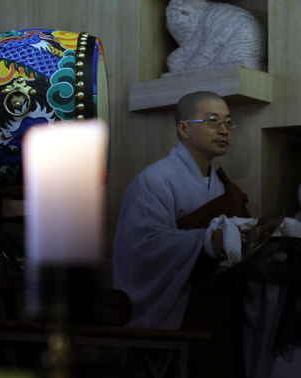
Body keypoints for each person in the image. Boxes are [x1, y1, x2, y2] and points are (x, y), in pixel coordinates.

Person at [113, 91, 278, 377]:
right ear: (184, 128)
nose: (224, 129)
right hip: (181, 303)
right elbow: (143, 247)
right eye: (212, 120)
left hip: (221, 305)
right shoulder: (155, 180)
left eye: (228, 122)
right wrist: (204, 240)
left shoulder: (224, 187)